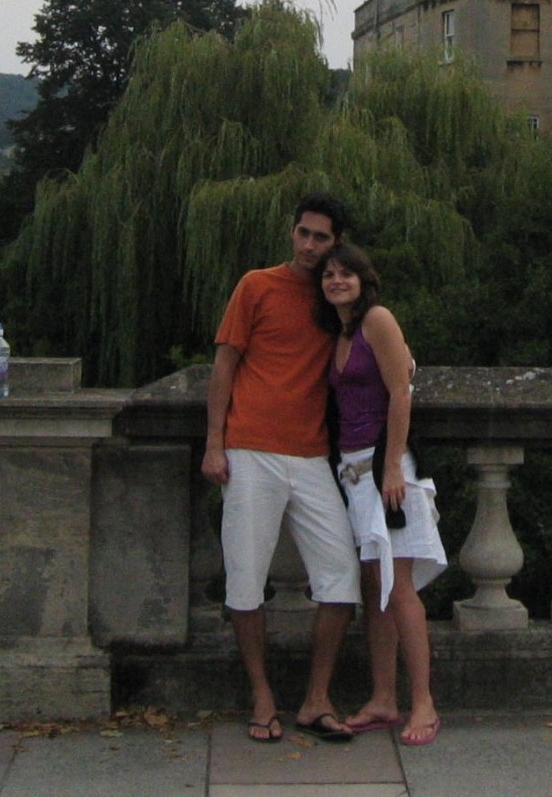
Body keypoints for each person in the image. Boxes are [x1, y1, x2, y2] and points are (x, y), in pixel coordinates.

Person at [203, 193, 362, 744]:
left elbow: (368, 341)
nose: (309, 245)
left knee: (342, 577)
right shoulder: (256, 285)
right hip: (250, 449)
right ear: (292, 232)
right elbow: (224, 364)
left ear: (335, 242)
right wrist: (214, 443)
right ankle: (263, 696)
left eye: (321, 237)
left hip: (312, 454)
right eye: (303, 233)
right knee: (245, 577)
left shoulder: (333, 295)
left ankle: (316, 699)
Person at [314, 243, 447, 748]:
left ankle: (423, 703)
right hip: (353, 471)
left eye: (346, 273)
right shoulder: (342, 332)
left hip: (385, 469)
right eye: (328, 274)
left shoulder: (377, 320)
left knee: (401, 586)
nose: (336, 280)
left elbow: (400, 391)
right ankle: (384, 697)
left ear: (363, 279)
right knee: (377, 587)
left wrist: (391, 464)